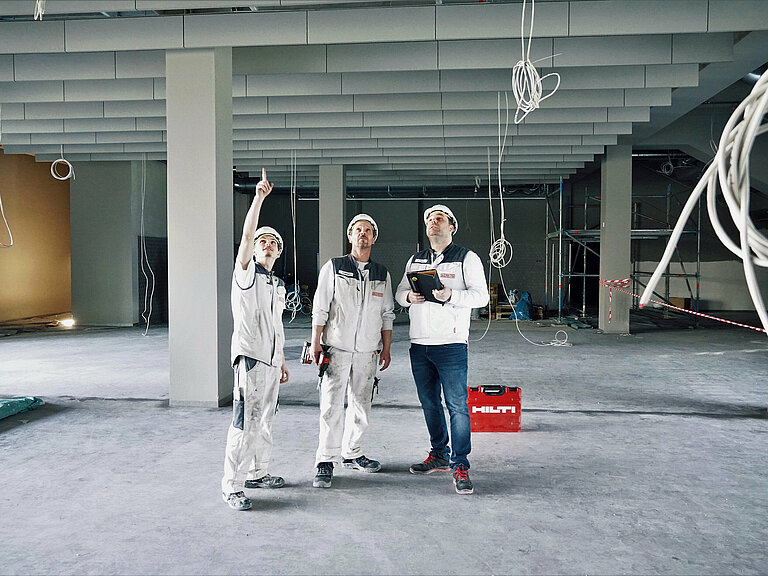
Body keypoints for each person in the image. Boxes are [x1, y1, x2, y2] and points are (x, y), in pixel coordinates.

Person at [395, 204, 489, 495]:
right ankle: (439, 454)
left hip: (450, 345)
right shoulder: (416, 259)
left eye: (440, 219)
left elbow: (482, 297)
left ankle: (460, 464)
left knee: (458, 406)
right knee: (430, 404)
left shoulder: (466, 258)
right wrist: (409, 297)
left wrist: (451, 295)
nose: (433, 223)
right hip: (419, 344)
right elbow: (399, 294)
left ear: (452, 227)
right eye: (429, 220)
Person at [221, 168, 290, 511]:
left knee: (265, 421)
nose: (267, 244)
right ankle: (231, 486)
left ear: (278, 252)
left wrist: (282, 362)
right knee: (245, 422)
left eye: (273, 242)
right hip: (250, 358)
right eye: (263, 240)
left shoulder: (276, 285)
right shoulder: (246, 275)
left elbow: (275, 324)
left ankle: (258, 473)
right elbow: (246, 239)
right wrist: (259, 199)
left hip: (271, 363)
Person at [310, 214, 396, 488]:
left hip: (367, 352)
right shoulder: (334, 268)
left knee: (361, 405)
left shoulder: (382, 274)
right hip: (337, 348)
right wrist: (316, 341)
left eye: (368, 230)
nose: (363, 234)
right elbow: (320, 307)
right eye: (358, 230)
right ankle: (325, 460)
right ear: (350, 236)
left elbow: (387, 313)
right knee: (331, 407)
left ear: (374, 238)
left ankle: (353, 453)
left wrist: (386, 348)